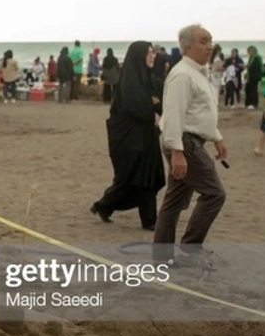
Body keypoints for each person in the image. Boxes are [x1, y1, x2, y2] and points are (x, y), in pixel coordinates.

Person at [152, 24, 228, 266]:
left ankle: (163, 257)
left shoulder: (198, 72)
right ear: (187, 46)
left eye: (211, 40)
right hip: (184, 142)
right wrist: (177, 152)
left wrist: (217, 138)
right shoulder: (182, 74)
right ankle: (189, 248)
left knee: (174, 201)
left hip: (191, 141)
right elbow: (174, 114)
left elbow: (200, 112)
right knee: (214, 193)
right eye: (203, 41)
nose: (210, 46)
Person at [90, 41, 166, 230]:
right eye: (149, 52)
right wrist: (151, 105)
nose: (153, 56)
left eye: (153, 52)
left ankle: (105, 206)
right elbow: (133, 107)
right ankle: (146, 219)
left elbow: (160, 104)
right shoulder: (129, 81)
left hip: (146, 135)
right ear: (139, 56)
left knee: (148, 177)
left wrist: (154, 104)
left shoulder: (149, 79)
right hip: (129, 138)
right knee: (133, 178)